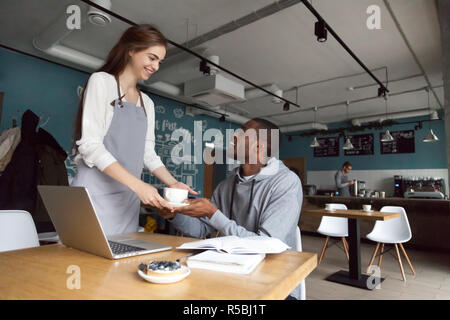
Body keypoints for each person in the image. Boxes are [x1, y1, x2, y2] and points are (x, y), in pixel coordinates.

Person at [157, 118, 303, 299]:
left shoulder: (286, 182)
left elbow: (267, 244)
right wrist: (173, 215)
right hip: (229, 270)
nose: (234, 135)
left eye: (242, 132)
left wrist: (213, 213)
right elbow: (201, 229)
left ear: (259, 148)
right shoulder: (226, 185)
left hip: (274, 281)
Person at [71, 24, 196, 236]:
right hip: (93, 194)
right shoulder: (102, 82)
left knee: (120, 263)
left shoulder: (147, 103)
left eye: (159, 61)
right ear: (131, 50)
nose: (155, 66)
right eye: (152, 57)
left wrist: (173, 183)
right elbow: (90, 145)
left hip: (126, 200)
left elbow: (148, 153)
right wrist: (139, 186)